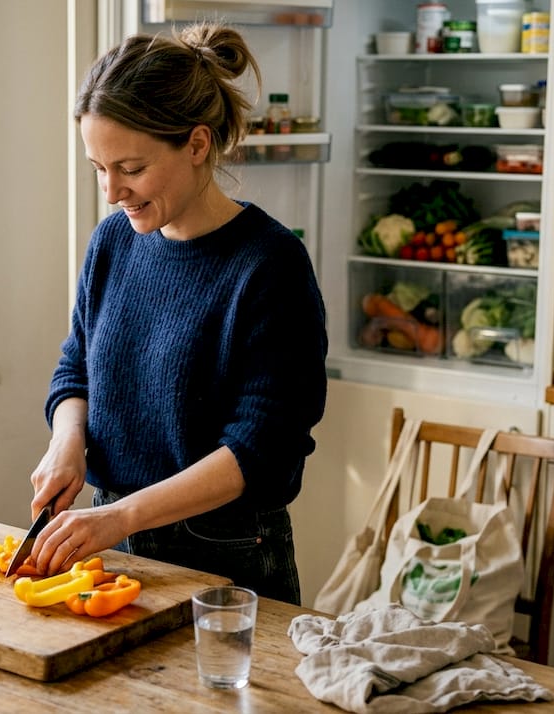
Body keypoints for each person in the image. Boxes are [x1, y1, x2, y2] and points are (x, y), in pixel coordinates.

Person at [25, 22, 328, 605]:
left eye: (131, 169)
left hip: (227, 554)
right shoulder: (113, 241)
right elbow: (76, 366)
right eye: (99, 168)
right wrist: (67, 442)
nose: (112, 191)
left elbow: (261, 449)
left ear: (196, 144)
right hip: (107, 533)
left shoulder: (270, 265)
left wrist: (123, 516)